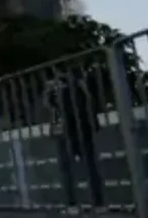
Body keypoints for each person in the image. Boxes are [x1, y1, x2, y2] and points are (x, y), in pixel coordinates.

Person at [46, 72, 104, 211]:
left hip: (68, 131)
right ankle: (98, 203)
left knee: (67, 169)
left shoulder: (58, 90)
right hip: (84, 129)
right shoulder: (80, 87)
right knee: (90, 166)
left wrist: (50, 91)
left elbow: (52, 107)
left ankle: (73, 204)